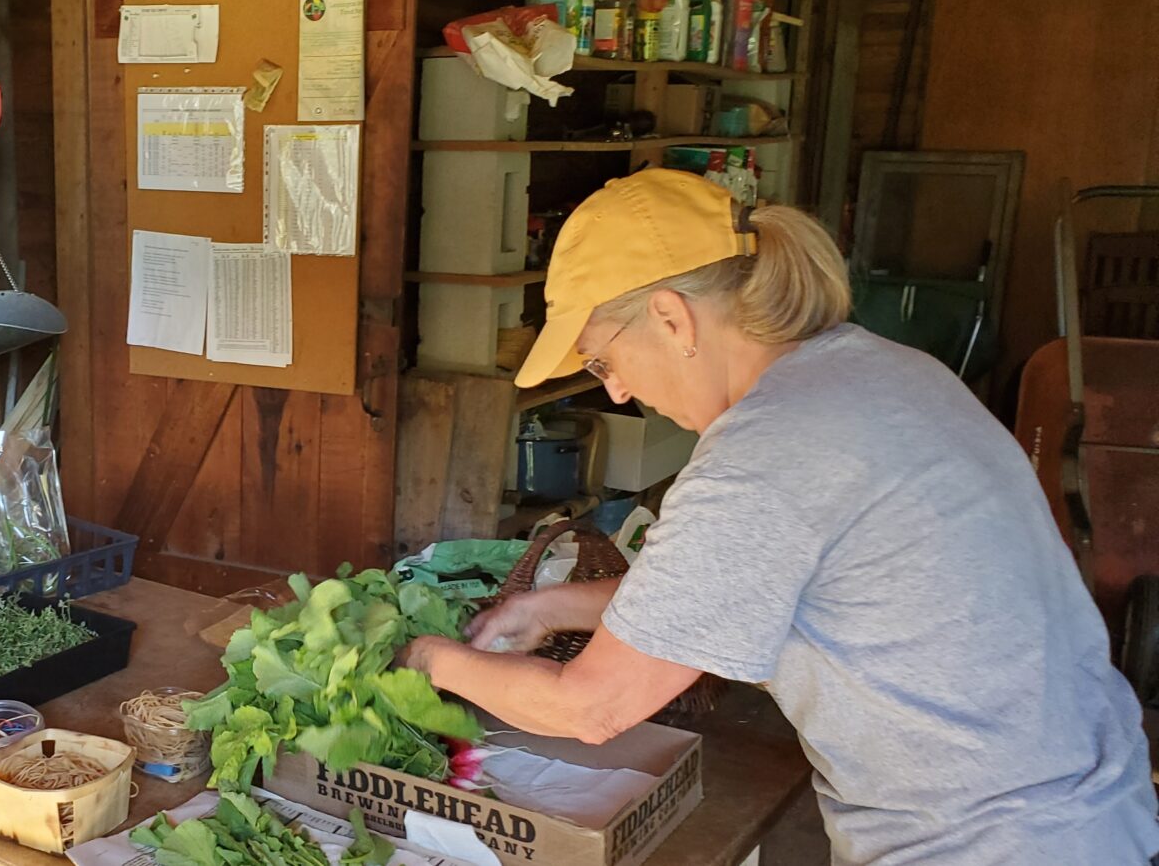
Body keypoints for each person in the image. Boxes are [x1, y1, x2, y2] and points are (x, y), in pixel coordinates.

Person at [401, 169, 1159, 865]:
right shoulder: (877, 372)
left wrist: (429, 660)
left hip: (989, 841)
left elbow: (593, 706)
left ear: (671, 318)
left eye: (603, 359)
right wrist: (548, 607)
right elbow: (736, 586)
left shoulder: (765, 454)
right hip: (1090, 811)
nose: (619, 391)